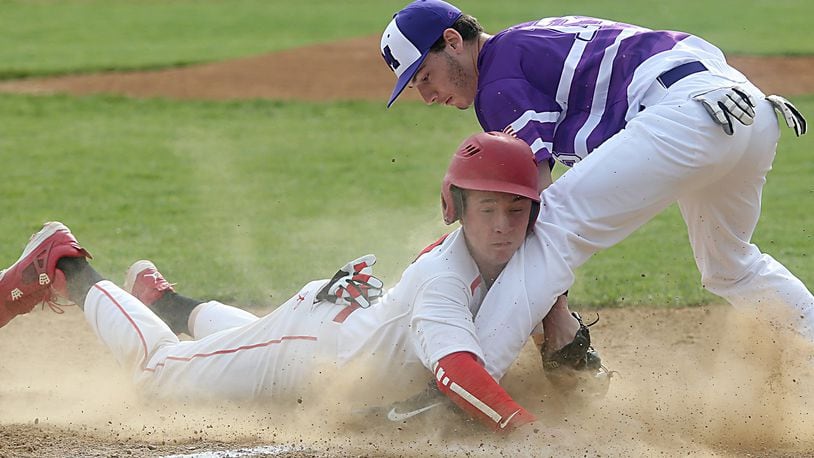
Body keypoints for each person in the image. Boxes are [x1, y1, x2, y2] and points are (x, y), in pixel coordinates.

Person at [0, 132, 606, 433]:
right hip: (306, 346)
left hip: (343, 322)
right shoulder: (444, 280)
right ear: (457, 207)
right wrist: (527, 435)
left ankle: (165, 301)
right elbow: (459, 373)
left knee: (241, 343)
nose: (504, 227)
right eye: (488, 210)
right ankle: (63, 262)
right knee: (157, 377)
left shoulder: (515, 256)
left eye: (516, 211)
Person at [380, 0, 813, 340]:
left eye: (424, 76)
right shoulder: (526, 41)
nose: (427, 95)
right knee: (730, 267)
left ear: (454, 41)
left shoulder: (495, 81)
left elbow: (528, 202)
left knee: (548, 223)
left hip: (689, 116)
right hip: (749, 110)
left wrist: (557, 318)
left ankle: (471, 380)